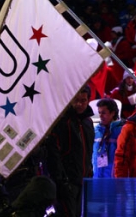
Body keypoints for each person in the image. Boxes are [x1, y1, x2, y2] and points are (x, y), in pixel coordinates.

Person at [45, 86, 95, 217]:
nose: (79, 104)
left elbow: (89, 152)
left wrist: (90, 172)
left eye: (83, 100)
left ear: (88, 100)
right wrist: (61, 181)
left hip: (84, 181)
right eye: (76, 100)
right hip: (67, 183)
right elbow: (53, 154)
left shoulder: (88, 122)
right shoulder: (61, 122)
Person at [92, 98, 124, 178]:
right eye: (99, 112)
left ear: (113, 113)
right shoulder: (96, 130)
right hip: (97, 177)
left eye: (103, 113)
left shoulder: (122, 130)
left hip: (114, 179)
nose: (100, 116)